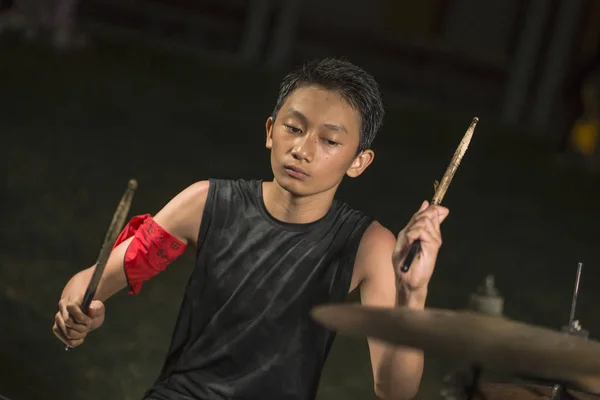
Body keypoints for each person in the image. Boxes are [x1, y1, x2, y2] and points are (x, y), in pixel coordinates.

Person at [53, 58, 450, 400]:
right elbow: (92, 282)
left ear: (358, 162)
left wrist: (412, 295)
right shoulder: (206, 203)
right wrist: (77, 311)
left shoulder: (367, 245)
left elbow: (395, 391)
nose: (303, 150)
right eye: (294, 128)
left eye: (329, 140)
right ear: (269, 131)